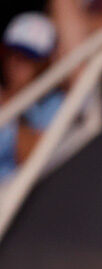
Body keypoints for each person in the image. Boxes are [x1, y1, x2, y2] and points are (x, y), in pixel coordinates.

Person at [0, 12, 64, 179]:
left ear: (45, 63)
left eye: (28, 57)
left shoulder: (54, 104)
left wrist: (12, 113)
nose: (15, 62)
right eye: (11, 52)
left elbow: (34, 157)